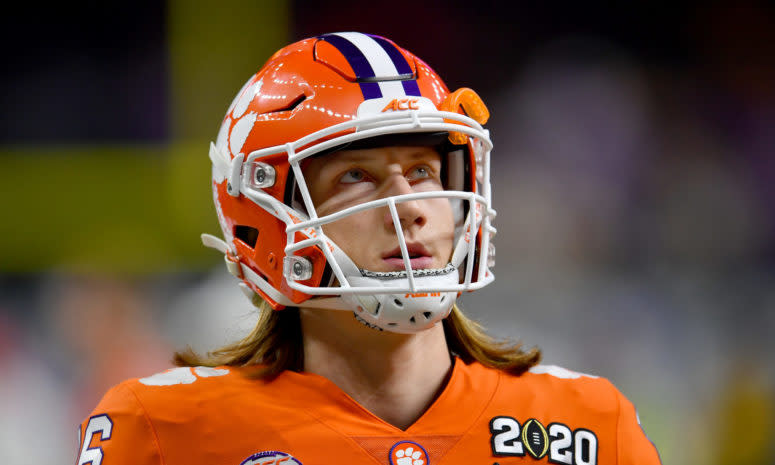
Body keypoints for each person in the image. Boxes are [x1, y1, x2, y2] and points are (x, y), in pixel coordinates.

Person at [77, 32, 661, 465]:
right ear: (267, 218)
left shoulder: (588, 424)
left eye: (424, 170)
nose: (410, 205)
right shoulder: (163, 432)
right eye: (355, 176)